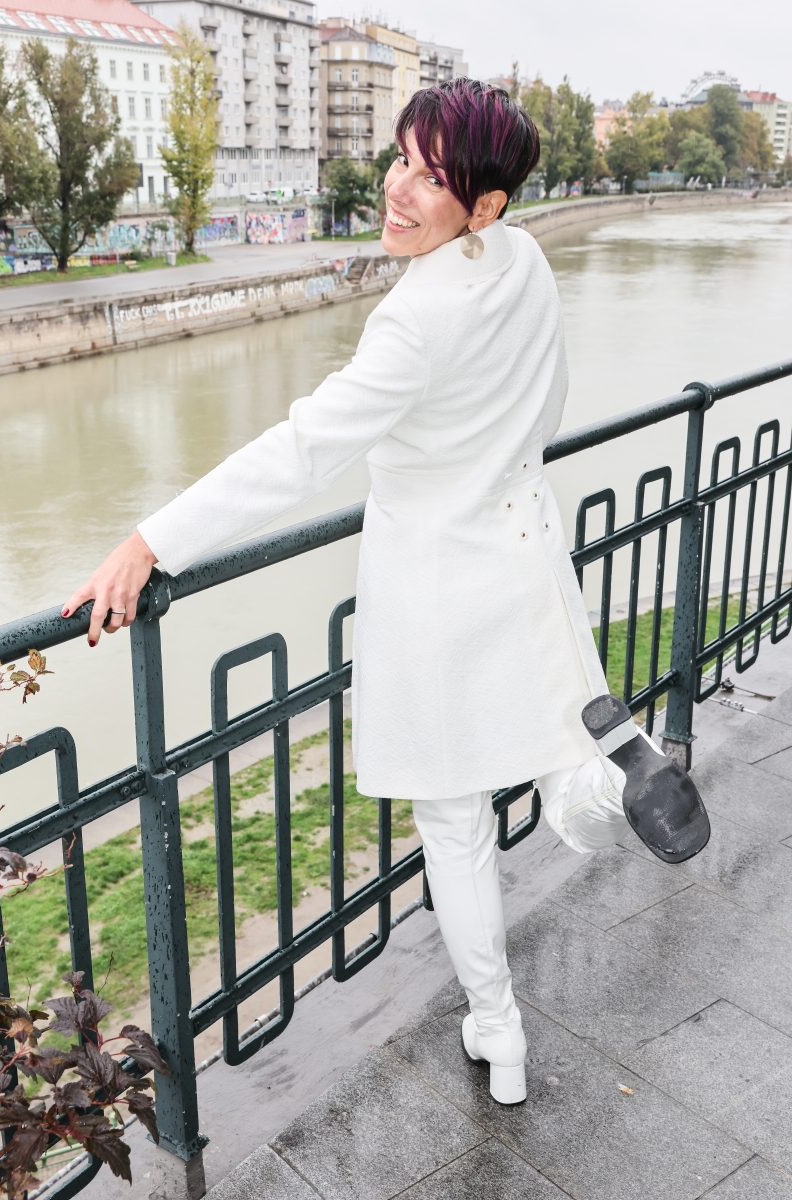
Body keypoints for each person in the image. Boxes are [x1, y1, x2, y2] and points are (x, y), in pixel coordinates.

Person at [63, 79, 708, 1107]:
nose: (397, 189)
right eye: (400, 159)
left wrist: (150, 540)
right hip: (527, 555)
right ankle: (602, 789)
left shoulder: (413, 320)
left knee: (453, 823)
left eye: (429, 176)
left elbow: (300, 452)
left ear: (482, 205)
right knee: (556, 739)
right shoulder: (525, 259)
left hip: (436, 588)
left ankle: (498, 1029)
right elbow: (546, 403)